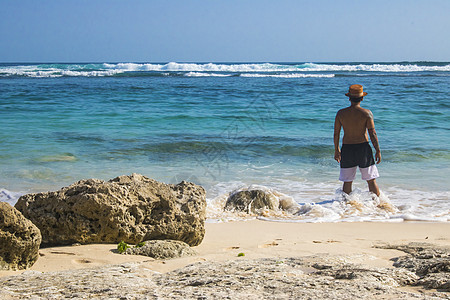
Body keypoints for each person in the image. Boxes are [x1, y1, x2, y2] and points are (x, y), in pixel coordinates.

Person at [334, 84, 381, 196]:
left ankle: (347, 207)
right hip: (363, 148)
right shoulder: (367, 113)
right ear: (362, 98)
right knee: (371, 180)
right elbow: (372, 133)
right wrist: (377, 150)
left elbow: (336, 133)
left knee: (347, 181)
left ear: (349, 98)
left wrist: (336, 150)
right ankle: (378, 206)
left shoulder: (341, 113)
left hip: (347, 148)